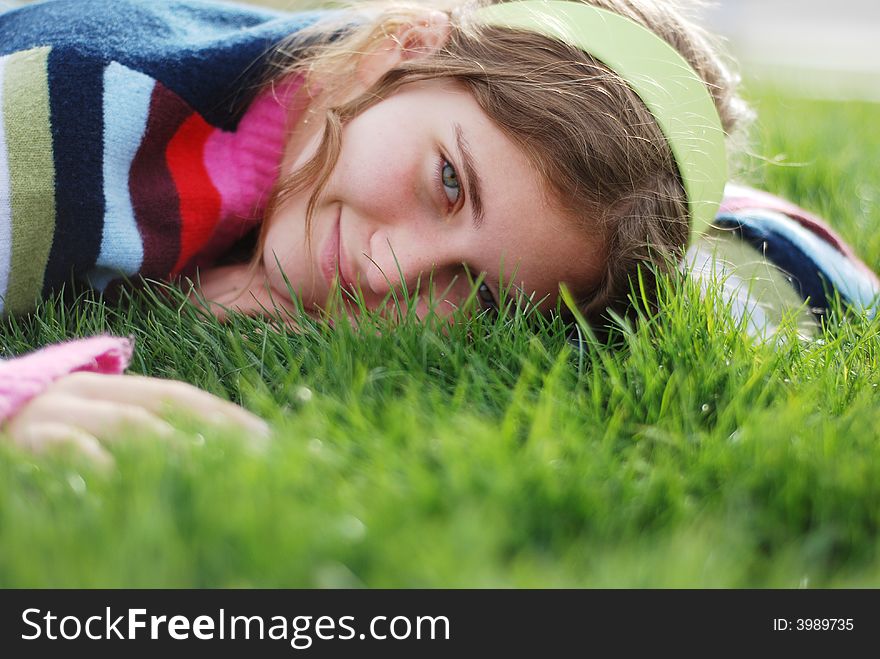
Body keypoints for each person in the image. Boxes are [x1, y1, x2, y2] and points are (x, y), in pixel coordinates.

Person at [0, 0, 876, 459]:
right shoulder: (70, 117)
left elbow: (807, 266)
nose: (390, 270)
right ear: (403, 44)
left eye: (478, 287)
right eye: (447, 184)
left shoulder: (393, 91)